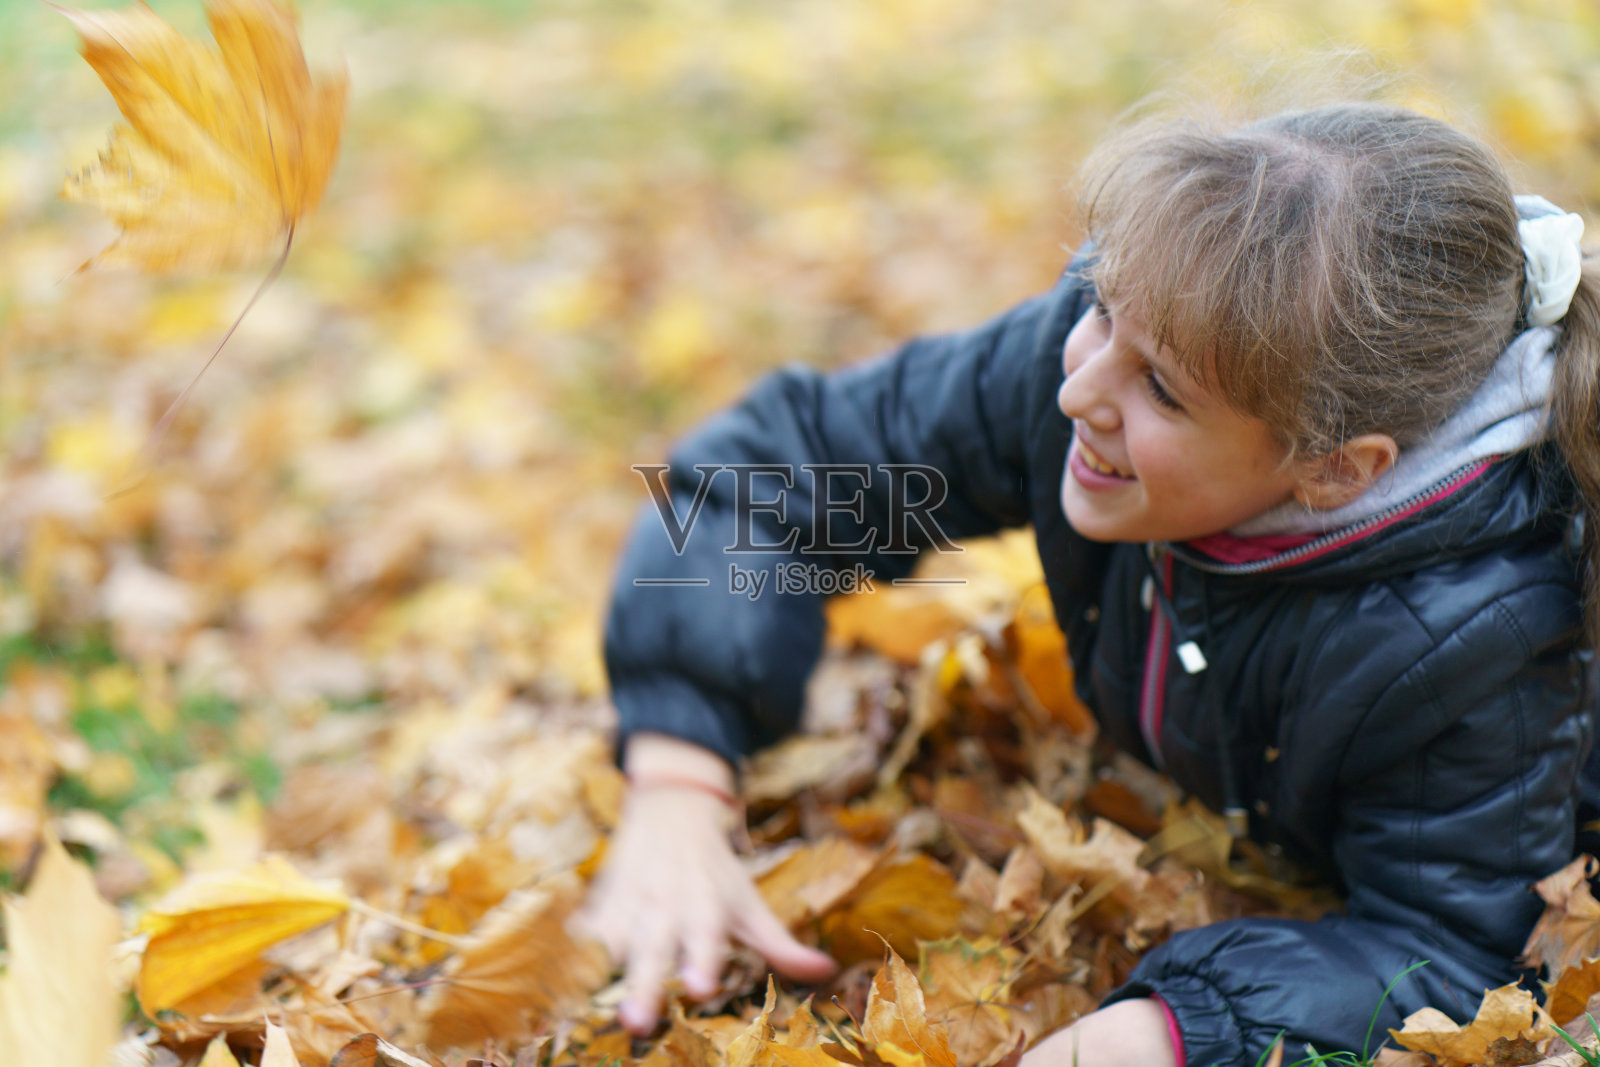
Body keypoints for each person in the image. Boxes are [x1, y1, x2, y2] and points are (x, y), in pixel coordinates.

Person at [584, 101, 1600, 1066]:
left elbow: (1447, 946)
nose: (1078, 388)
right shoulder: (1094, 360)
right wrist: (678, 773)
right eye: (1103, 310)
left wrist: (1167, 1032)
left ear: (1337, 469)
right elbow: (776, 471)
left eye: (1161, 389)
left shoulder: (1480, 630)